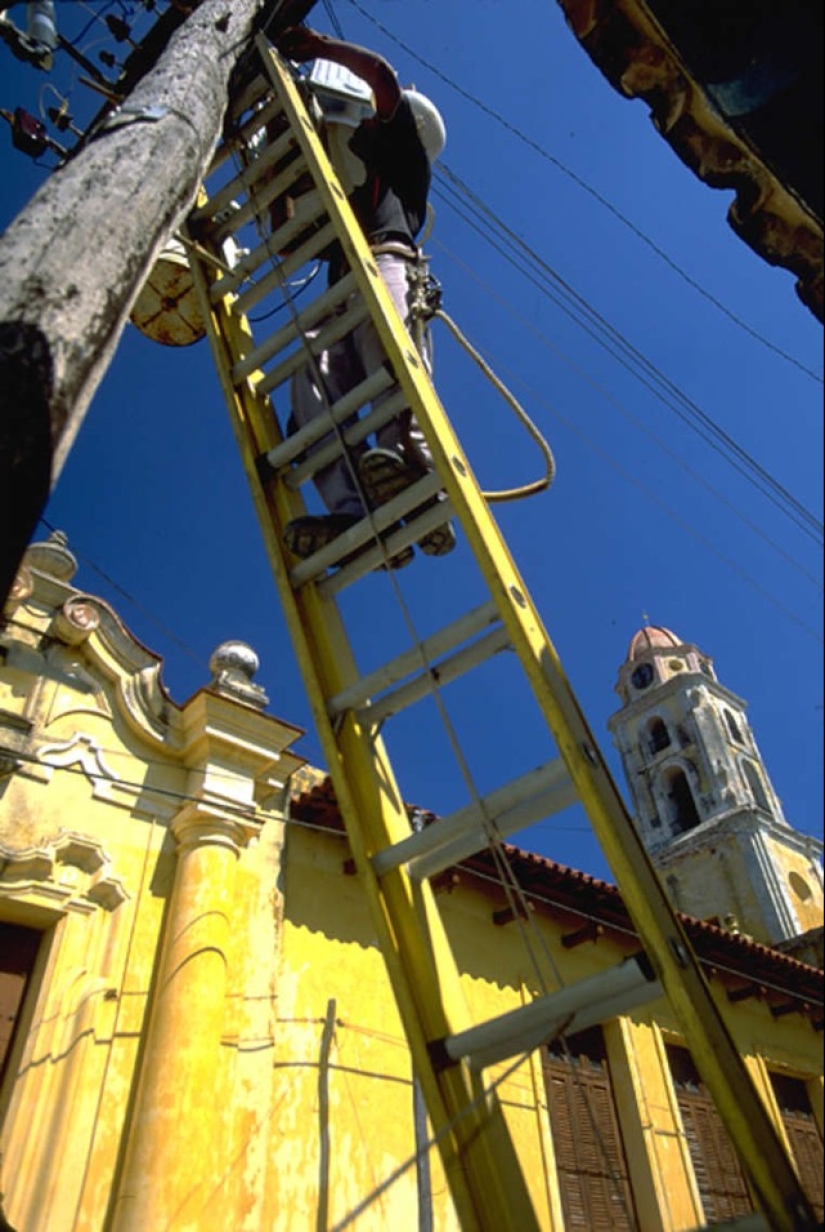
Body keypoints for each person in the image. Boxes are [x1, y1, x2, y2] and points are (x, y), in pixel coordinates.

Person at [273, 25, 456, 565]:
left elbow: (380, 77)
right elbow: (286, 246)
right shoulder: (346, 196)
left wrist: (320, 49)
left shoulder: (403, 160)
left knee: (389, 353)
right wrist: (283, 164)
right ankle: (354, 511)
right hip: (344, 285)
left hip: (386, 264)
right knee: (311, 377)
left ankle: (420, 476)